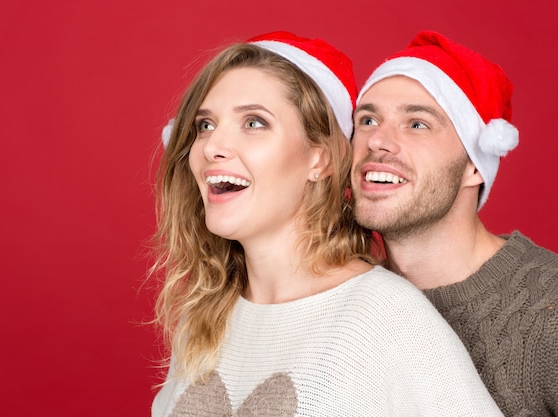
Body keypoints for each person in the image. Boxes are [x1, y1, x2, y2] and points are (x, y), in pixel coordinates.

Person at [150, 31, 502, 416]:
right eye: (205, 125)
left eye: (253, 123)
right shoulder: (203, 318)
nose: (213, 146)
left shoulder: (387, 317)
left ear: (319, 160)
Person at [351, 30, 558, 417]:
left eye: (417, 124)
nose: (378, 140)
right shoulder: (344, 302)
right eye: (367, 119)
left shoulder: (549, 311)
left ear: (474, 167)